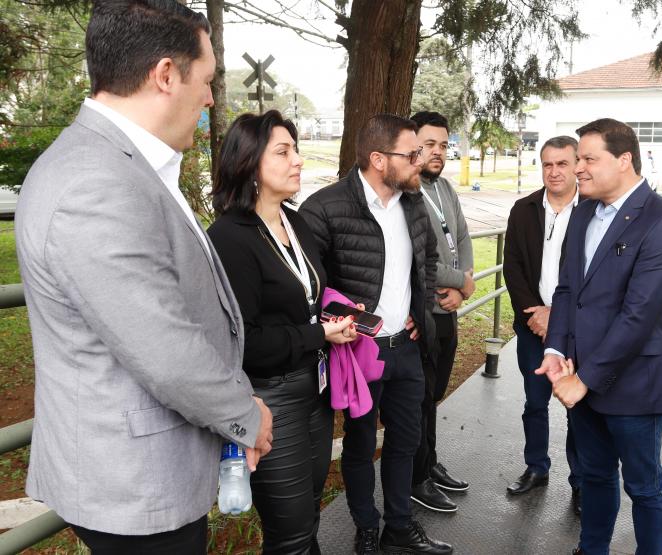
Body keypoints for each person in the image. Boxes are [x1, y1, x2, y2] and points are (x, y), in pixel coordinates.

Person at [14, 1, 273, 552]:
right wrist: (243, 415)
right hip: (134, 490)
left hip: (141, 473)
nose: (208, 98)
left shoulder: (119, 164)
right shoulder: (95, 183)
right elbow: (165, 347)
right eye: (205, 81)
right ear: (165, 75)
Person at [536, 118, 662, 555]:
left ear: (624, 160)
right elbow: (568, 290)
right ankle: (592, 549)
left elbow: (638, 316)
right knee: (595, 475)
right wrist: (554, 349)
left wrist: (583, 380)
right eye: (578, 159)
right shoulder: (584, 210)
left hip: (632, 386)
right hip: (579, 377)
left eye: (588, 159)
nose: (577, 169)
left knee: (644, 487)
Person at [300, 114, 452, 555]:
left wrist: (420, 317)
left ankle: (399, 528)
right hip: (358, 355)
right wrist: (338, 322)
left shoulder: (413, 202)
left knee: (407, 442)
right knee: (361, 444)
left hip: (407, 351)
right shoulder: (325, 208)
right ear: (378, 159)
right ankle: (366, 527)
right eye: (412, 154)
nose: (419, 161)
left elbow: (423, 267)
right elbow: (310, 286)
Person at [207, 110, 358, 554]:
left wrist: (337, 312)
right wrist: (320, 336)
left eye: (296, 150)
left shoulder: (296, 223)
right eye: (283, 151)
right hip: (271, 399)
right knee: (290, 533)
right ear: (250, 163)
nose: (298, 160)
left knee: (307, 514)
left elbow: (304, 297)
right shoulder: (231, 238)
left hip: (314, 390)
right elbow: (247, 341)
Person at [503, 135, 582, 512]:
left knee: (578, 407)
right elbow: (513, 267)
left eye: (562, 164)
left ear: (576, 164)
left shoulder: (593, 210)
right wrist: (535, 313)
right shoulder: (524, 209)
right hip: (533, 326)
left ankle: (582, 481)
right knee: (535, 403)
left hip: (580, 332)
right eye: (547, 164)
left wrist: (561, 318)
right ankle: (536, 467)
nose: (554, 171)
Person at [409, 111, 475, 513]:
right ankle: (416, 478)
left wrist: (464, 283)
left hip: (448, 312)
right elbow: (420, 260)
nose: (438, 152)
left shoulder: (445, 188)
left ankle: (430, 464)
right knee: (417, 399)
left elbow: (463, 236)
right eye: (429, 144)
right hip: (423, 316)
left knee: (433, 397)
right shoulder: (407, 192)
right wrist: (460, 281)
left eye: (443, 144)